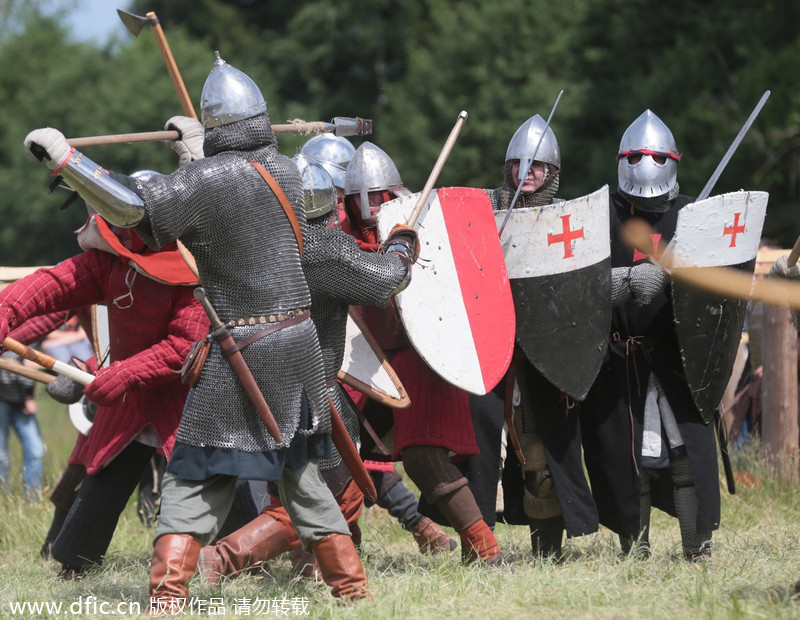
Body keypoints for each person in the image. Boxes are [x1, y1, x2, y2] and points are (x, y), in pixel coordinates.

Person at [23, 52, 369, 609]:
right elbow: (241, 202)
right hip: (299, 347)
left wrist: (69, 162)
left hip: (244, 351)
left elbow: (134, 208)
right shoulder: (286, 168)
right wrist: (197, 154)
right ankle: (352, 589)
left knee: (191, 476)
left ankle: (168, 596)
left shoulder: (209, 180)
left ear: (215, 127)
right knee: (300, 473)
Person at [196, 152, 443, 582]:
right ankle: (223, 558)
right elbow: (384, 279)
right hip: (309, 396)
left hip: (257, 389)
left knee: (315, 493)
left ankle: (317, 577)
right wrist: (402, 246)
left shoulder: (254, 245)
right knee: (323, 499)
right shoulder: (321, 251)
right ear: (327, 204)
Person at [0, 165, 208, 578]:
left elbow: (185, 347)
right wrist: (3, 313)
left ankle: (237, 563)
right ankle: (74, 566)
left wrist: (121, 374)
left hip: (188, 398)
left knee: (215, 487)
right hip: (127, 401)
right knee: (99, 486)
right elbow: (49, 286)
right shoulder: (107, 263)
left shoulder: (194, 270)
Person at [340, 141, 502, 565]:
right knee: (339, 452)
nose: (369, 205)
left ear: (393, 194)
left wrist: (403, 248)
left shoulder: (425, 226)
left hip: (421, 354)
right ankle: (340, 553)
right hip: (366, 360)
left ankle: (484, 548)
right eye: (360, 197)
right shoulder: (340, 238)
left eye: (377, 196)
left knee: (424, 457)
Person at [300, 135, 456, 556]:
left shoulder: (347, 233)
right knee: (329, 458)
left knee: (347, 454)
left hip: (380, 359)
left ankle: (393, 534)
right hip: (335, 361)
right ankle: (350, 548)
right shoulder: (322, 240)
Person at [579, 109, 719, 561]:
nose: (645, 166)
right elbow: (574, 284)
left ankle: (696, 547)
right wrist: (623, 281)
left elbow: (719, 287)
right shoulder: (598, 212)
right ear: (622, 161)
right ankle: (633, 548)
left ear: (671, 161)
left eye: (654, 158)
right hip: (619, 359)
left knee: (686, 454)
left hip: (677, 357)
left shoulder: (696, 214)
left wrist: (674, 278)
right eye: (636, 157)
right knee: (626, 458)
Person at [483, 115, 599, 558]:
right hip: (493, 349)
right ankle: (477, 545)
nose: (524, 173)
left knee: (539, 455)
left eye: (535, 166)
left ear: (551, 173)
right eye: (517, 164)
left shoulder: (563, 219)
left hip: (541, 356)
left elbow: (582, 288)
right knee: (481, 451)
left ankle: (546, 550)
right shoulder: (485, 212)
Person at [0, 351, 44, 498]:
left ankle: (32, 498)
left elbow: (32, 365)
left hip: (22, 401)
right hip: (2, 400)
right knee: (0, 455)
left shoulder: (29, 338)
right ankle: (3, 499)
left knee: (36, 450)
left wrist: (29, 395)